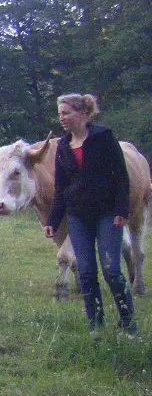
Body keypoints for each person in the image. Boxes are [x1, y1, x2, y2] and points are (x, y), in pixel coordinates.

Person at [42, 93, 137, 337]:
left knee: (111, 271)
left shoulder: (103, 137)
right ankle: (96, 325)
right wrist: (52, 221)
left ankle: (128, 325)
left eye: (66, 113)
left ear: (82, 113)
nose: (61, 118)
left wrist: (121, 211)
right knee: (85, 272)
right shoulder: (63, 146)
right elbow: (61, 188)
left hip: (107, 214)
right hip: (77, 217)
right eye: (60, 113)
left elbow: (121, 177)